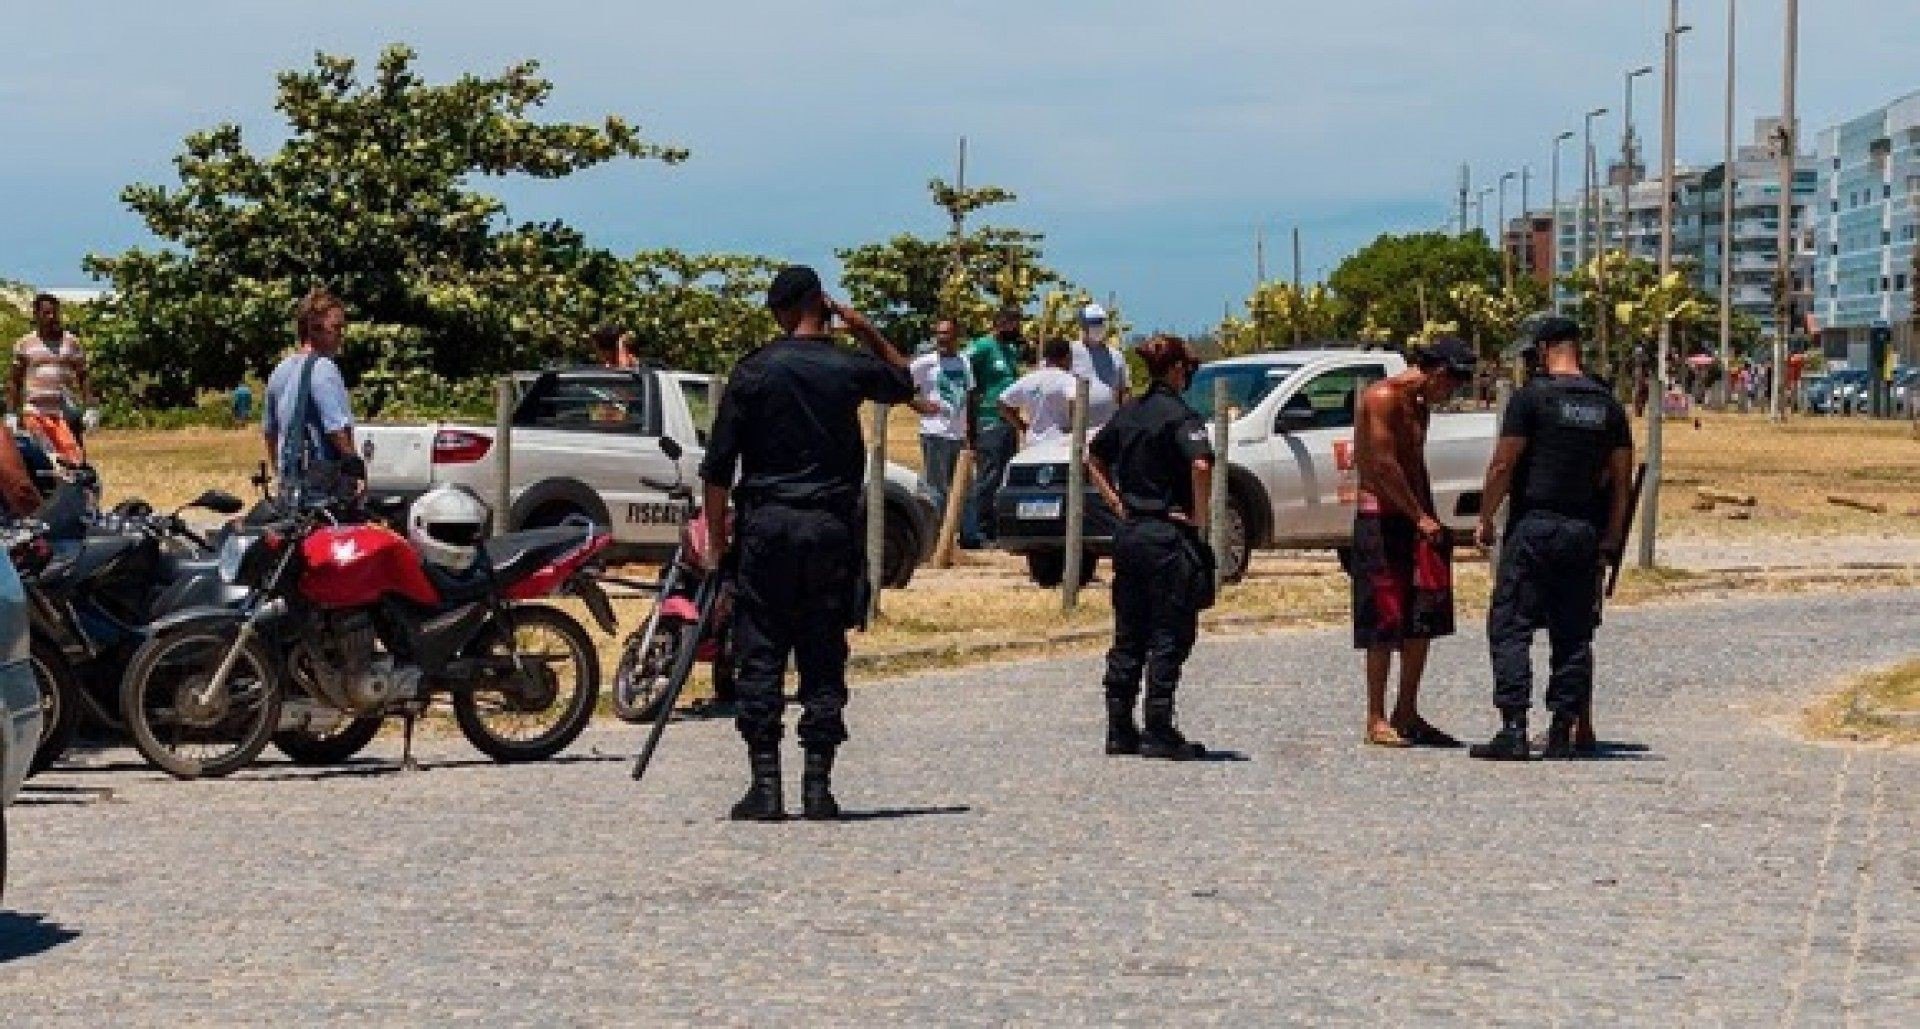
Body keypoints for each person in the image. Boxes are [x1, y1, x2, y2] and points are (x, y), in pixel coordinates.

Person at [698, 265, 914, 822]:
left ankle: (766, 785)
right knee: (822, 651)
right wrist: (863, 328)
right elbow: (904, 381)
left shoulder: (754, 370)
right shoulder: (847, 366)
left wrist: (717, 545)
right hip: (828, 529)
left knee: (761, 651)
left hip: (767, 527)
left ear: (786, 310)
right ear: (823, 304)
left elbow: (717, 469)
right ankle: (818, 785)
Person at [1470, 317, 1633, 761]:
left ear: (1544, 350)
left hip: (1534, 525)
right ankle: (1563, 729)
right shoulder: (1608, 405)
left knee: (1511, 625)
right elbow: (1621, 482)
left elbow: (1503, 465)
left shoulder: (1530, 398)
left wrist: (1485, 517)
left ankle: (1514, 728)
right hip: (1582, 531)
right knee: (1573, 632)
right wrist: (1612, 537)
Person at [1087, 334, 1216, 760]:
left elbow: (1093, 457)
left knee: (1129, 632)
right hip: (1167, 536)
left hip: (1130, 534)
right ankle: (1159, 727)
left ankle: (1119, 727)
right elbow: (1201, 464)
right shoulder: (1181, 416)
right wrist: (1199, 516)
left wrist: (1115, 501)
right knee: (1169, 632)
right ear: (1176, 369)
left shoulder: (1129, 412)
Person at [1350, 337, 1478, 749]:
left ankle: (1407, 710)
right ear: (1438, 373)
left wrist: (1431, 519)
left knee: (1423, 614)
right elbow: (1383, 465)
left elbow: (1415, 465)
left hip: (1416, 518)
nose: (1451, 393)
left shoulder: (1420, 406)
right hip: (1380, 517)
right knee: (1382, 616)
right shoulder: (1382, 398)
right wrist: (1418, 515)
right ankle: (1375, 716)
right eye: (1453, 384)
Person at [262, 288, 364, 508]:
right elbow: (336, 429)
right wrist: (356, 471)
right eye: (336, 327)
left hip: (290, 487)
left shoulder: (279, 371)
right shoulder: (323, 367)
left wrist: (280, 472)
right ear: (314, 327)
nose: (341, 335)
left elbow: (270, 432)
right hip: (322, 487)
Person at [961, 308, 1025, 547]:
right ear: (1000, 324)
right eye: (1012, 324)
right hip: (988, 419)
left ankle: (997, 527)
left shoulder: (1011, 350)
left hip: (1009, 421)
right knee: (988, 476)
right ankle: (978, 529)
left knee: (1004, 476)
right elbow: (962, 364)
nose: (1016, 329)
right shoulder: (983, 347)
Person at [9, 294, 95, 466]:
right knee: (43, 463)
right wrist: (10, 413)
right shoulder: (24, 344)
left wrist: (91, 407)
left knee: (75, 463)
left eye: (55, 313)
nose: (52, 317)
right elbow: (15, 380)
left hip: (65, 413)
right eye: (47, 313)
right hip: (34, 413)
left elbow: (83, 375)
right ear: (36, 315)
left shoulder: (70, 342)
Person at [908, 318, 973, 519]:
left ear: (956, 336)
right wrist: (919, 405)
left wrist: (970, 430)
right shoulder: (925, 363)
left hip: (958, 436)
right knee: (936, 490)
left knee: (963, 487)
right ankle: (935, 530)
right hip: (935, 434)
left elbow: (969, 393)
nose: (941, 338)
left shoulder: (964, 361)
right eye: (939, 334)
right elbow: (901, 385)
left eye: (946, 333)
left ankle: (959, 533)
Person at [997, 339, 1078, 446]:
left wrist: (1023, 427)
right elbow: (1074, 401)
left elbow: (1002, 402)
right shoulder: (1067, 380)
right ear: (1067, 357)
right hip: (1059, 441)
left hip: (1034, 442)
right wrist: (1074, 429)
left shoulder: (1029, 378)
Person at [1069, 302, 1131, 430]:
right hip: (1077, 428)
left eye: (1100, 323)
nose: (1097, 327)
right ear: (1083, 325)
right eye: (1093, 323)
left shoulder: (1116, 356)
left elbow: (1124, 391)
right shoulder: (1070, 352)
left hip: (1108, 427)